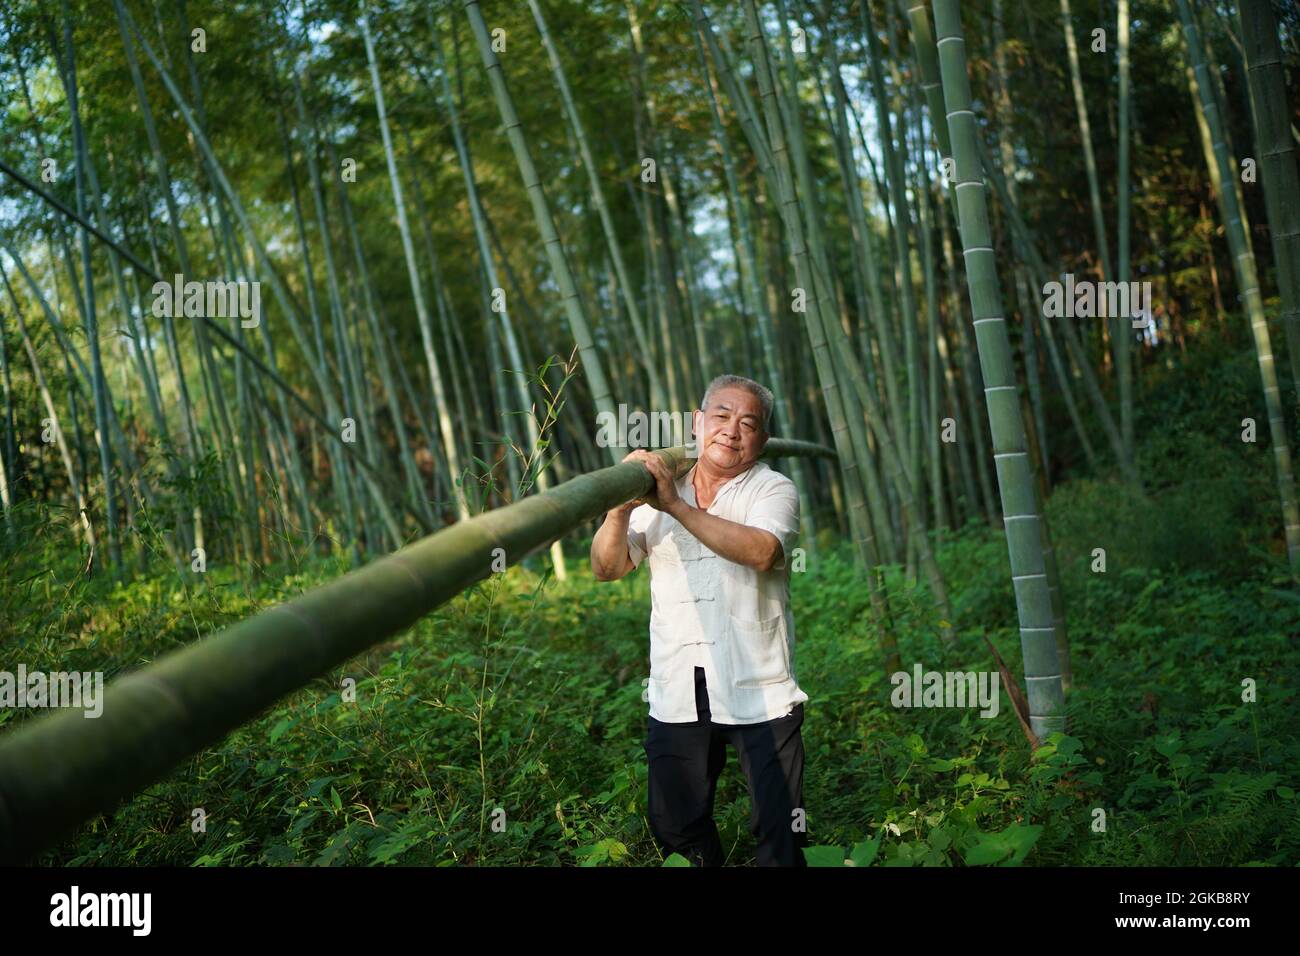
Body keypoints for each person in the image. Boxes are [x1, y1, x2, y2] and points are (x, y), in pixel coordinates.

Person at [590, 374, 809, 867]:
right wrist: (619, 513)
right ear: (697, 422)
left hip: (759, 686)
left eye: (748, 423)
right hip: (678, 687)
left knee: (781, 830)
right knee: (675, 825)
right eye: (722, 417)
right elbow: (607, 568)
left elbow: (762, 551)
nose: (732, 431)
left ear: (763, 440)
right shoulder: (662, 487)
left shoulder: (773, 489)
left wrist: (673, 505)